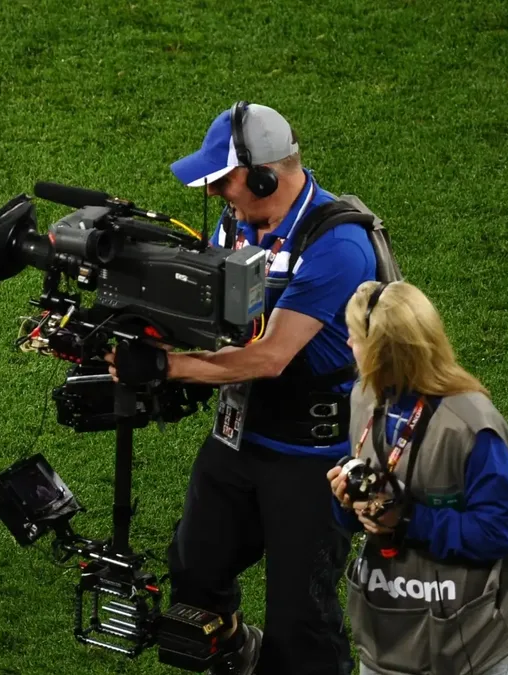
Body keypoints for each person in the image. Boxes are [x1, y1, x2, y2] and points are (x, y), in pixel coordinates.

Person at [108, 101, 376, 675]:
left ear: (263, 175)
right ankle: (238, 656)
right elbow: (210, 313)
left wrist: (165, 368)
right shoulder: (236, 223)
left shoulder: (337, 245)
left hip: (313, 458)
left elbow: (271, 356)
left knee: (299, 624)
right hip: (237, 438)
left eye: (223, 178)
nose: (212, 192)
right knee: (196, 575)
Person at [327, 281, 508, 675]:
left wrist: (407, 520)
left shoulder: (469, 427)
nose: (347, 344)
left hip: (468, 640)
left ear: (384, 352)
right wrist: (348, 501)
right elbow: (369, 495)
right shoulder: (365, 396)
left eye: (355, 337)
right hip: (391, 622)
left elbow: (497, 531)